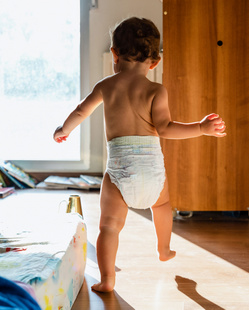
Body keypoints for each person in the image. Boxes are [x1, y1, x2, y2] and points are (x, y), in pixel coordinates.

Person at [53, 17, 226, 293]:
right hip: (152, 171)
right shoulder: (156, 90)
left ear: (114, 54)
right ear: (155, 62)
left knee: (109, 227)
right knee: (162, 206)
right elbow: (166, 129)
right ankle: (164, 247)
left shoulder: (106, 86)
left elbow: (81, 111)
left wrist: (64, 129)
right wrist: (201, 127)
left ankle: (108, 279)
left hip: (120, 171)